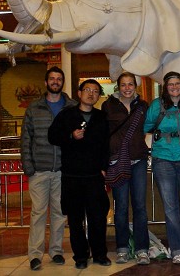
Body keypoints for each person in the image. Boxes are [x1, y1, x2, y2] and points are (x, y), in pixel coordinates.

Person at [48, 79, 111, 270]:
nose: (91, 94)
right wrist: (70, 136)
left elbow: (106, 145)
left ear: (99, 96)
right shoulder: (67, 115)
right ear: (79, 93)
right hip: (72, 176)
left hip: (94, 176)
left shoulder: (101, 117)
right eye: (87, 90)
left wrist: (104, 167)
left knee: (98, 218)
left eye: (95, 91)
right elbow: (52, 136)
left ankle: (99, 254)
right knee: (75, 219)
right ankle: (81, 256)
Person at [21, 66, 78, 271]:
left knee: (59, 213)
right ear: (46, 82)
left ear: (63, 82)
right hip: (39, 170)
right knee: (38, 213)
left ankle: (56, 251)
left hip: (63, 170)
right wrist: (29, 166)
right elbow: (26, 139)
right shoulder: (34, 108)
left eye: (59, 79)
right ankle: (35, 255)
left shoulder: (72, 107)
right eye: (52, 79)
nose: (55, 82)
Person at [143, 71, 180, 265]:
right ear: (165, 87)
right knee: (171, 207)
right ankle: (178, 249)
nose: (174, 87)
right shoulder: (156, 106)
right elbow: (145, 126)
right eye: (170, 84)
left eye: (177, 84)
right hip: (163, 158)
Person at [101, 72, 150, 265]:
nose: (127, 88)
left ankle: (142, 249)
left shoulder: (143, 106)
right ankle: (122, 248)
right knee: (120, 207)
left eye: (130, 84)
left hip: (138, 160)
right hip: (117, 161)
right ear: (118, 87)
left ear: (135, 86)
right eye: (123, 85)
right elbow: (103, 133)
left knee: (140, 207)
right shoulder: (108, 106)